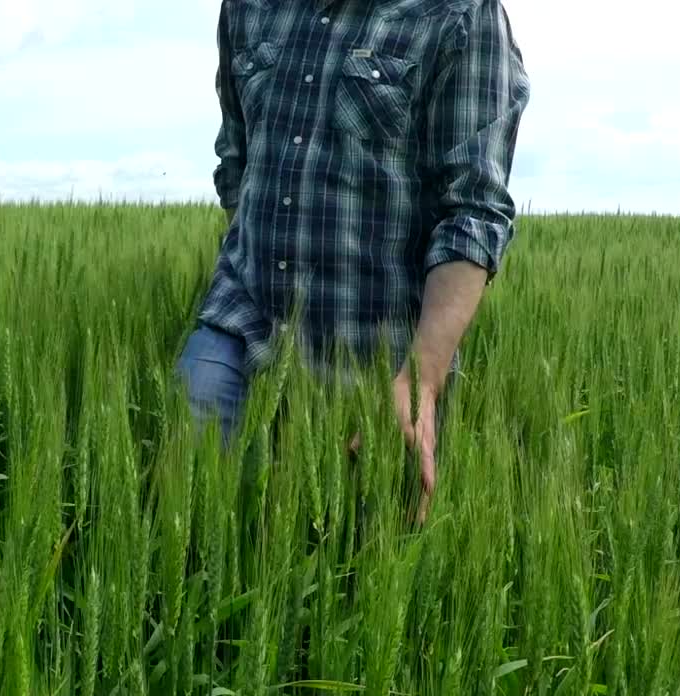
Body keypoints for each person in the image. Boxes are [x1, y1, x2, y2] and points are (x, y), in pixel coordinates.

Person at [176, 0, 530, 522]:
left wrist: (419, 382)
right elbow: (238, 161)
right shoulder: (248, 7)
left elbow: (472, 210)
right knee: (188, 510)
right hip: (243, 315)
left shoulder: (460, 14)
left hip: (377, 349)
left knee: (362, 551)